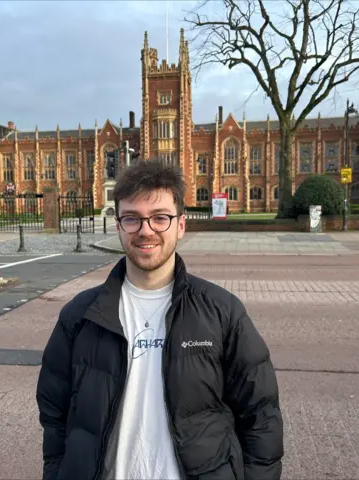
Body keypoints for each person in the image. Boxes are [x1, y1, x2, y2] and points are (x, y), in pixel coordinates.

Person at [36, 159, 284, 480]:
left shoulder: (223, 312)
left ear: (181, 225)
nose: (145, 230)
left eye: (160, 218)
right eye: (132, 219)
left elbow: (261, 417)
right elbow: (54, 417)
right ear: (119, 227)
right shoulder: (79, 315)